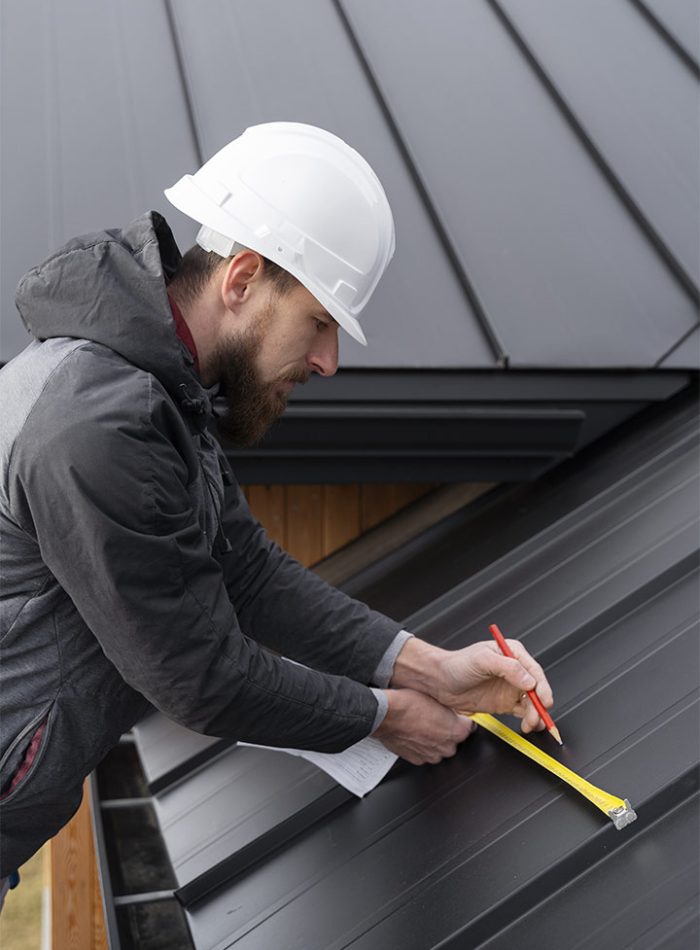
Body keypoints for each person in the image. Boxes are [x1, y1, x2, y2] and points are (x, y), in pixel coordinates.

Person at [0, 122, 553, 890]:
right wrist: (384, 716)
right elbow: (198, 675)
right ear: (243, 280)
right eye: (320, 323)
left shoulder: (159, 389)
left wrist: (432, 669)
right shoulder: (96, 424)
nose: (328, 362)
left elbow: (248, 573)